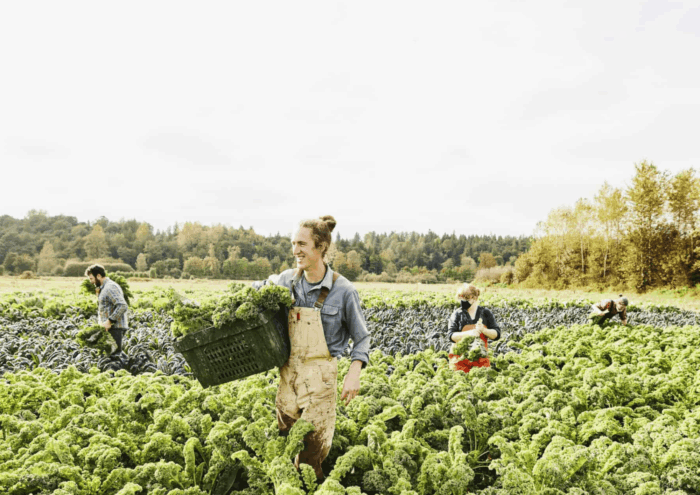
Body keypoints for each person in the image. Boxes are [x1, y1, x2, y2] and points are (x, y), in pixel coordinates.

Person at [253, 215, 370, 480]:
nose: (295, 250)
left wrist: (354, 374)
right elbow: (257, 290)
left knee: (309, 457)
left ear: (321, 247)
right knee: (286, 444)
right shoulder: (286, 280)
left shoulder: (343, 291)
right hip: (288, 378)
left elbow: (362, 338)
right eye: (293, 243)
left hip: (320, 381)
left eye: (302, 244)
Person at [446, 283, 501, 373]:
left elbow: (496, 334)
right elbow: (451, 335)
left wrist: (484, 330)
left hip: (481, 360)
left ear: (475, 298)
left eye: (467, 299)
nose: (463, 302)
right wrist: (469, 333)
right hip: (460, 361)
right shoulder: (457, 314)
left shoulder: (485, 313)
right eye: (461, 299)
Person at [85, 264, 128, 354]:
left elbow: (122, 305)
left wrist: (110, 321)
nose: (91, 282)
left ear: (98, 276)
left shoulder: (110, 287)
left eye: (91, 279)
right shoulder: (104, 287)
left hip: (115, 328)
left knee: (115, 356)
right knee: (109, 357)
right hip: (109, 329)